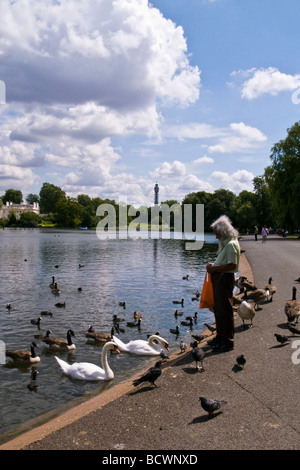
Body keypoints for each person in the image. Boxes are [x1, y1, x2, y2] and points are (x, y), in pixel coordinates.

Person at [206, 215, 240, 353]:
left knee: (225, 310)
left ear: (224, 232)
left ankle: (228, 341)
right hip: (220, 279)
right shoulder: (228, 244)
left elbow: (232, 265)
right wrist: (214, 265)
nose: (216, 237)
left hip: (224, 279)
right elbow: (226, 263)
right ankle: (220, 337)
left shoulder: (231, 244)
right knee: (219, 310)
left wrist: (214, 268)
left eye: (217, 234)